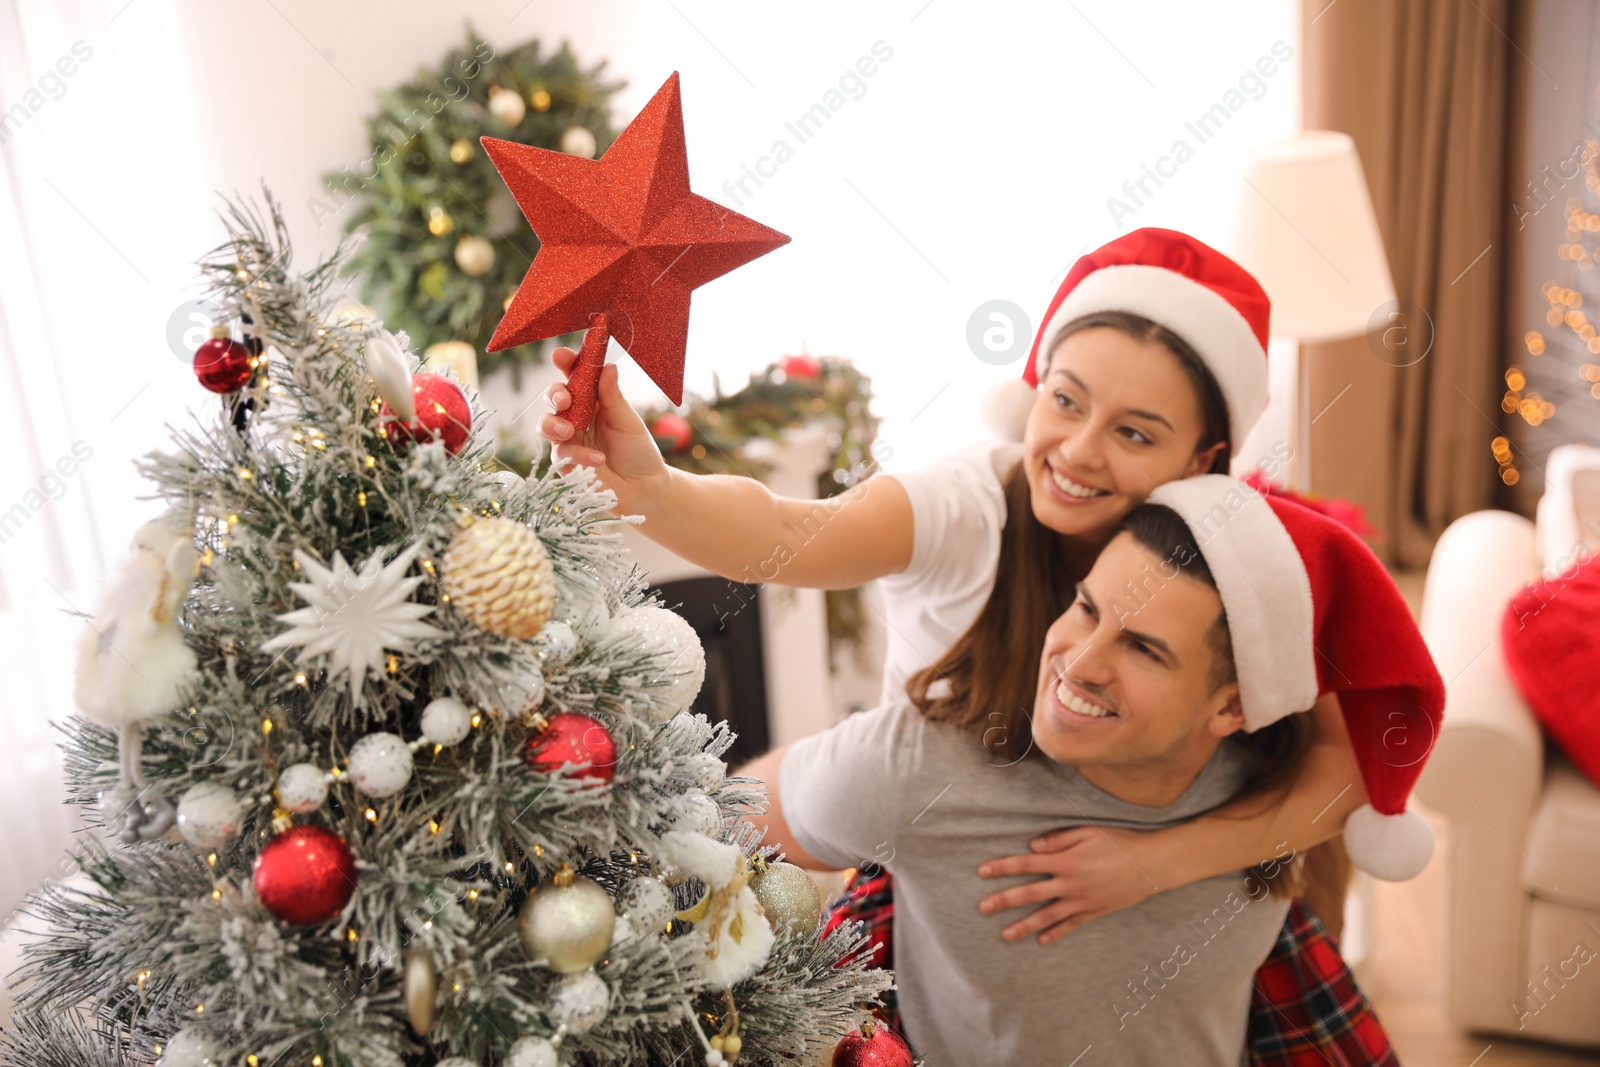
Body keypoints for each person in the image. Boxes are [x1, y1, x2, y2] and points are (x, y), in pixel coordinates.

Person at [537, 229, 1390, 1043]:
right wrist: (656, 488)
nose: (1078, 452)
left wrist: (1157, 864)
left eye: (1134, 432)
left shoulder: (1234, 572)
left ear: (1204, 459)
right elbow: (791, 530)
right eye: (1065, 401)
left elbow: (1343, 760)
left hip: (1170, 902)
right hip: (951, 883)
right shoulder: (966, 508)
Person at [743, 475, 1444, 1064]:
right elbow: (732, 813)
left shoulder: (1278, 781)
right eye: (1085, 607)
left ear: (1232, 707)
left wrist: (1161, 858)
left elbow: (1367, 753)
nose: (1077, 661)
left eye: (1143, 648)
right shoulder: (918, 767)